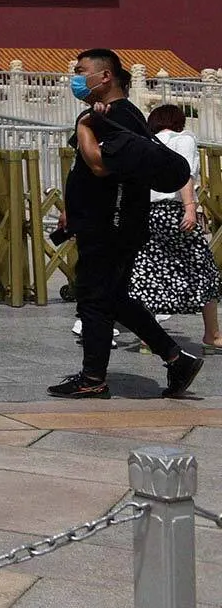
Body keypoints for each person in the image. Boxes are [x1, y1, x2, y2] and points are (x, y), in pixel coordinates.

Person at [49, 50, 202, 399]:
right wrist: (71, 207)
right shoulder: (106, 114)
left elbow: (100, 165)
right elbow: (85, 171)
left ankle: (92, 379)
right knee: (113, 297)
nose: (75, 77)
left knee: (93, 298)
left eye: (80, 71)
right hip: (101, 220)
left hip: (112, 224)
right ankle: (176, 358)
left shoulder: (120, 117)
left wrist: (84, 125)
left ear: (105, 77)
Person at [131, 105, 220, 350]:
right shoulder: (184, 139)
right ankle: (212, 334)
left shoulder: (143, 142)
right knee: (203, 268)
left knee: (149, 271)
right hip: (173, 211)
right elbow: (184, 174)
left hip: (146, 213)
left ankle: (147, 336)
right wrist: (190, 206)